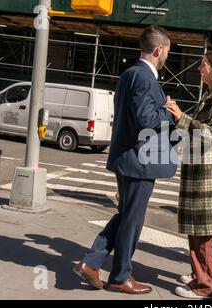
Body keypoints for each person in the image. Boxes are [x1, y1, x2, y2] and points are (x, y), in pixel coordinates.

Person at [73, 25, 177, 294]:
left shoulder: (131, 74)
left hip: (130, 159)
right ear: (158, 49)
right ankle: (119, 276)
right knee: (132, 220)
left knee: (125, 216)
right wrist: (169, 113)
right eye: (167, 50)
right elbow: (146, 120)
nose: (167, 55)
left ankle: (92, 263)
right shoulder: (143, 78)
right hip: (138, 162)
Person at [165, 50, 212, 299]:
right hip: (203, 172)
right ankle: (200, 273)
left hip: (207, 175)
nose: (199, 69)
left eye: (203, 65)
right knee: (198, 230)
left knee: (202, 233)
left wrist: (181, 117)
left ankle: (203, 285)